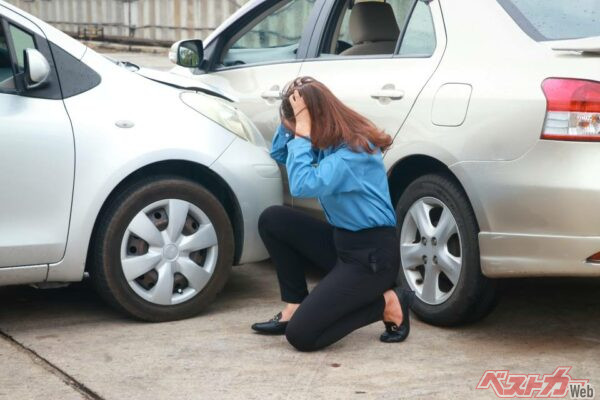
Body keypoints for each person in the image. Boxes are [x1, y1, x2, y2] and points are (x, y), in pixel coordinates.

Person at [252, 76, 414, 352]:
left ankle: (385, 303)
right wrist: (291, 119)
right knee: (273, 219)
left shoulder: (355, 151)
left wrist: (302, 130)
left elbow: (303, 184)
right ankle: (295, 303)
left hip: (371, 258)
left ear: (313, 121)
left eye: (299, 126)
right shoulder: (328, 140)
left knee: (302, 335)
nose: (296, 133)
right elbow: (280, 152)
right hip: (342, 243)